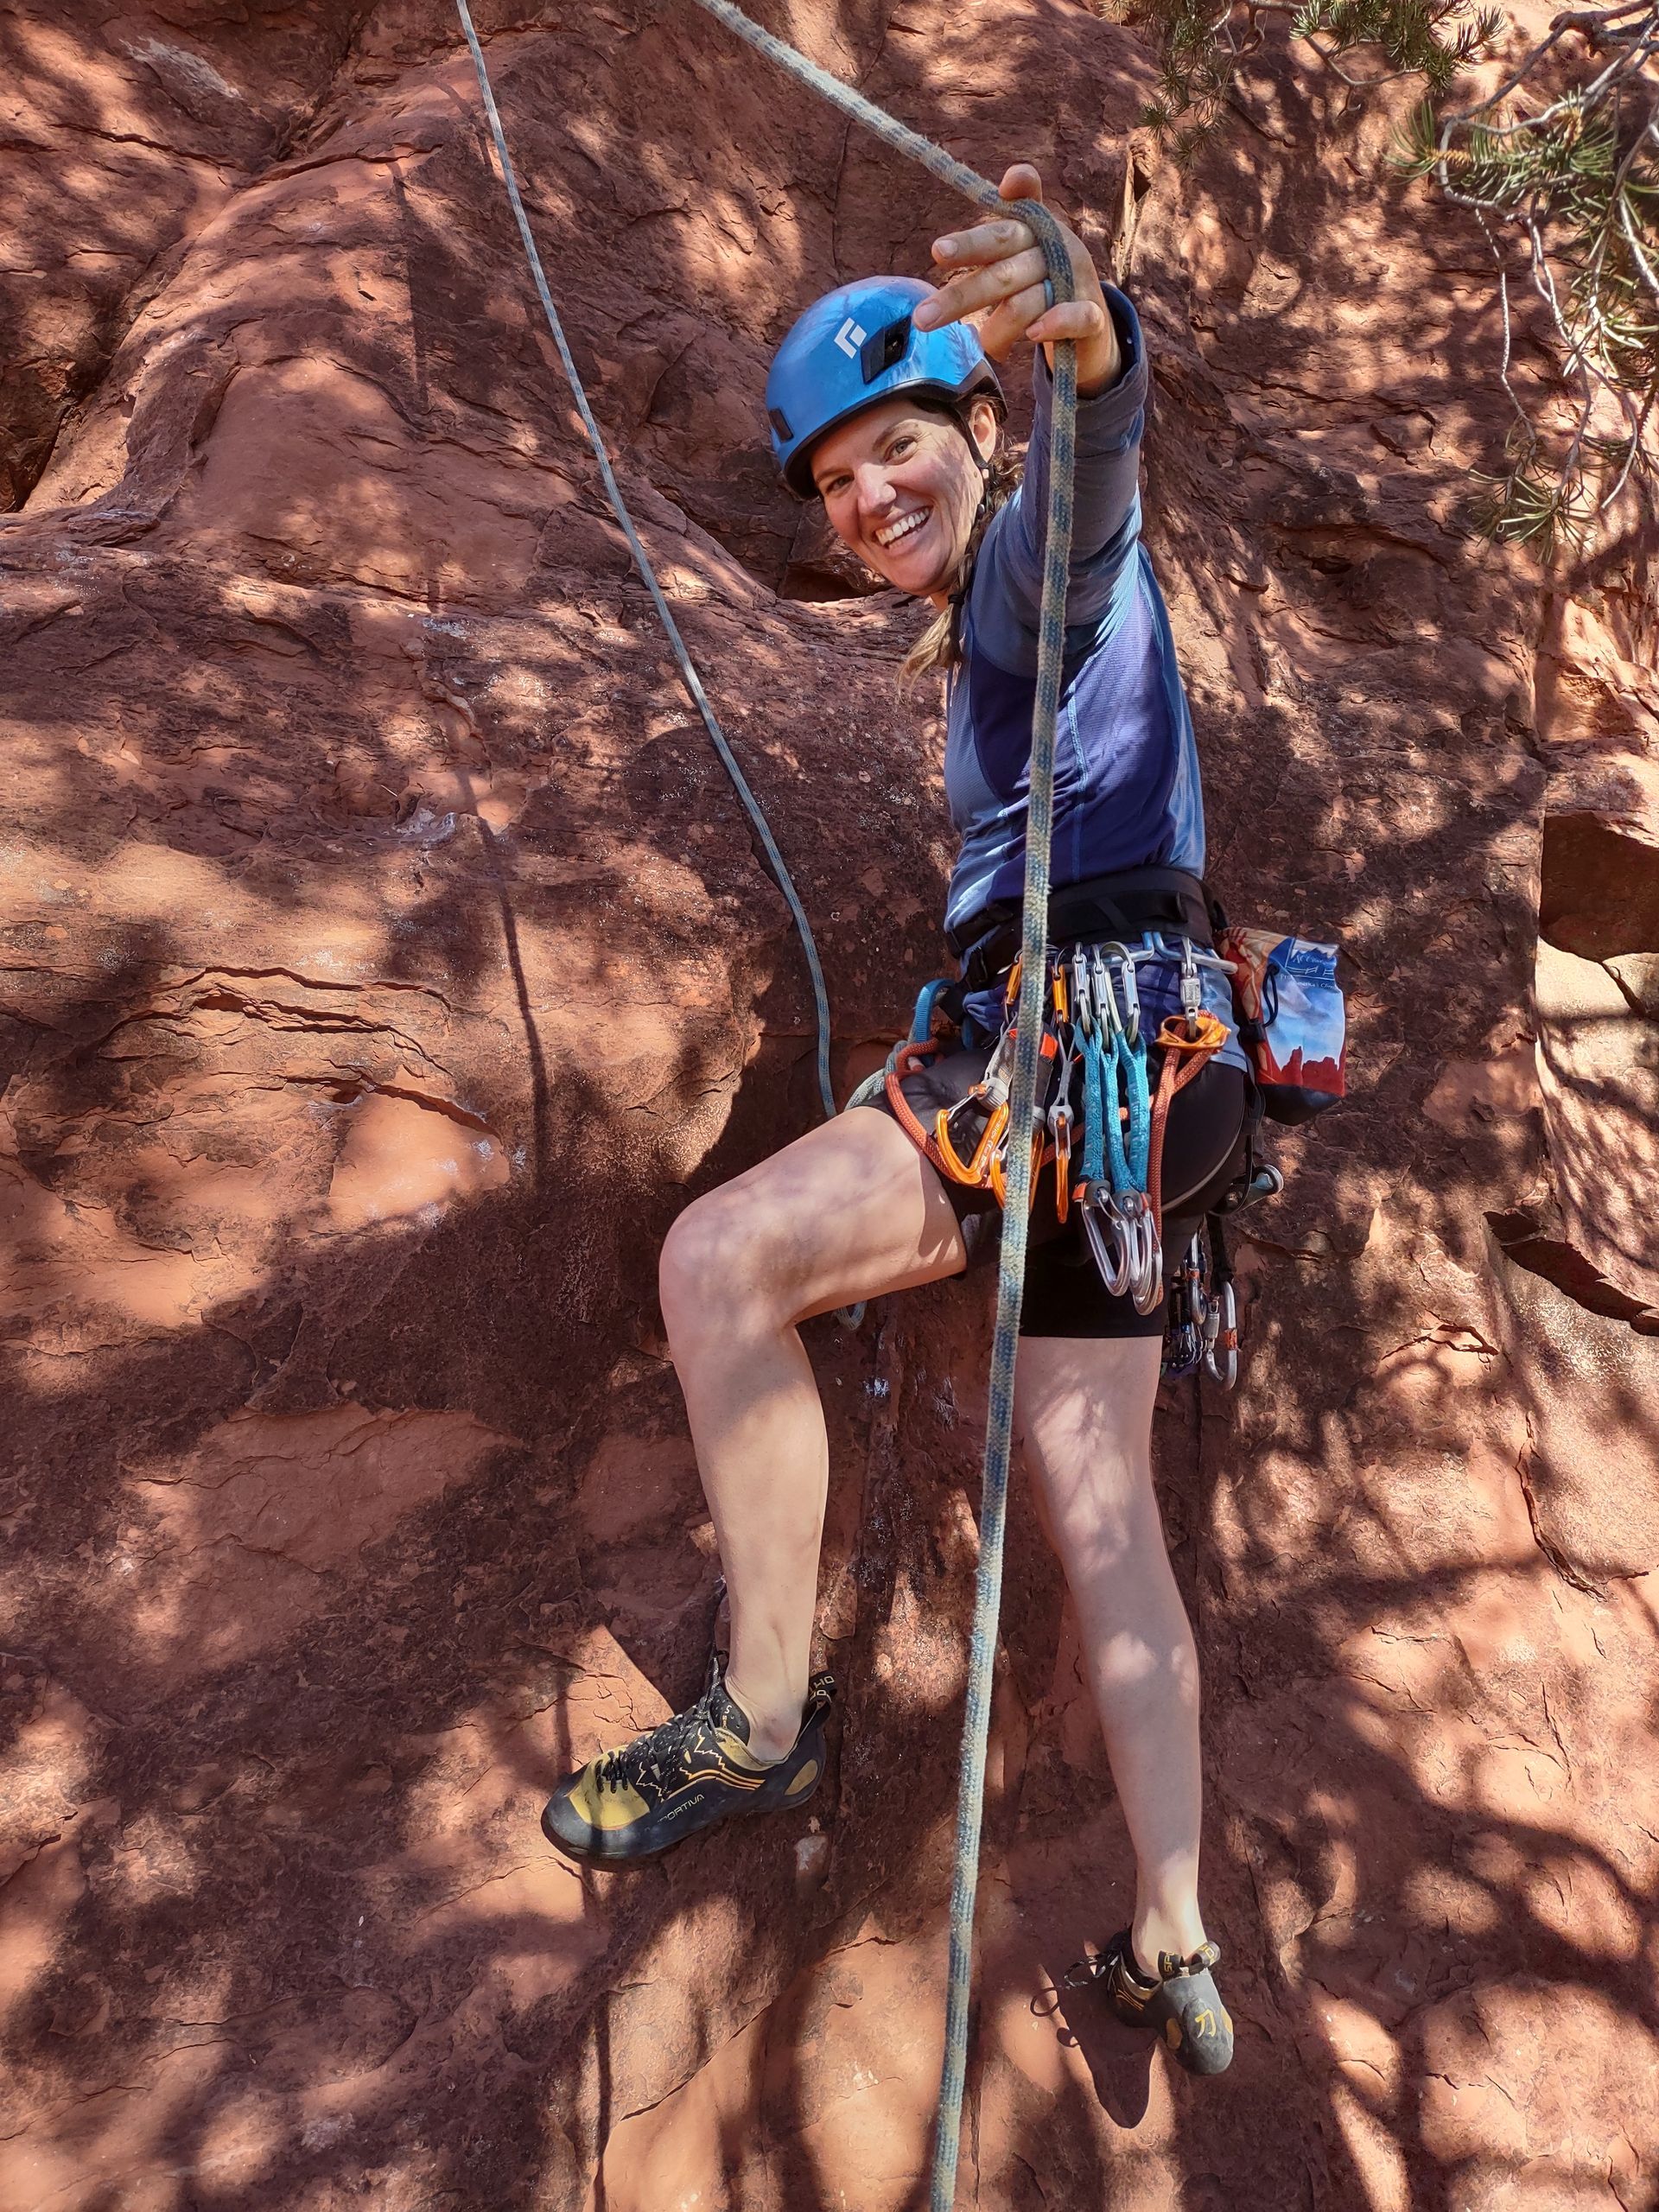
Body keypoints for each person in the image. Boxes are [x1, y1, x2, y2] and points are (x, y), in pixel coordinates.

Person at [542, 163, 1248, 2078]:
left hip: (1054, 1057)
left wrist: (1099, 349)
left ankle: (763, 1718)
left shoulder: (1028, 569)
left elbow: (1089, 480)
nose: (863, 502)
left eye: (894, 449)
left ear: (980, 428)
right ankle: (1178, 1928)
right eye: (834, 481)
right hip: (1158, 1095)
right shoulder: (1017, 621)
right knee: (1106, 1518)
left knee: (720, 1259)